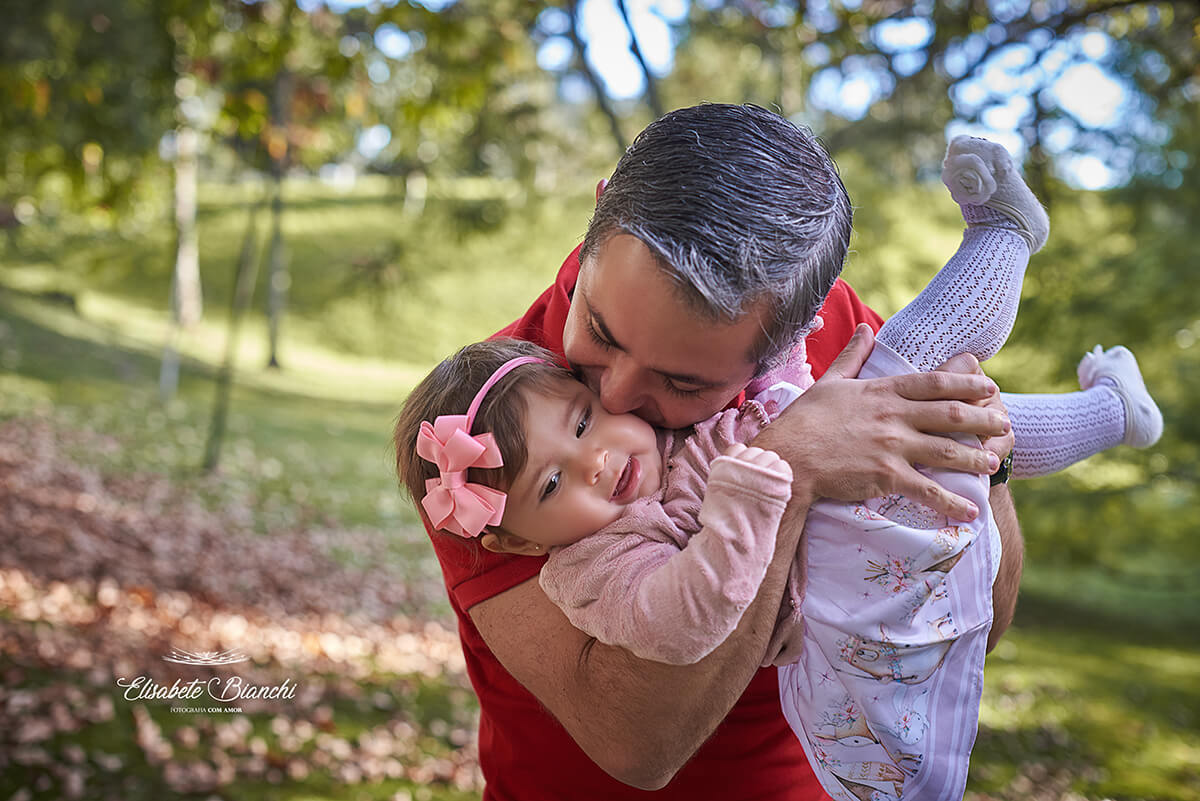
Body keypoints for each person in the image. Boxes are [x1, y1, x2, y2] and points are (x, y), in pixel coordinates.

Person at [395, 137, 1162, 800]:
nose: (619, 395)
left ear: (801, 323)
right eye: (600, 329)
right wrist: (789, 465)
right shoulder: (493, 443)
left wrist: (973, 449)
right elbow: (636, 747)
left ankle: (1040, 303)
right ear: (599, 215)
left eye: (685, 382)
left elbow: (978, 613)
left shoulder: (829, 330)